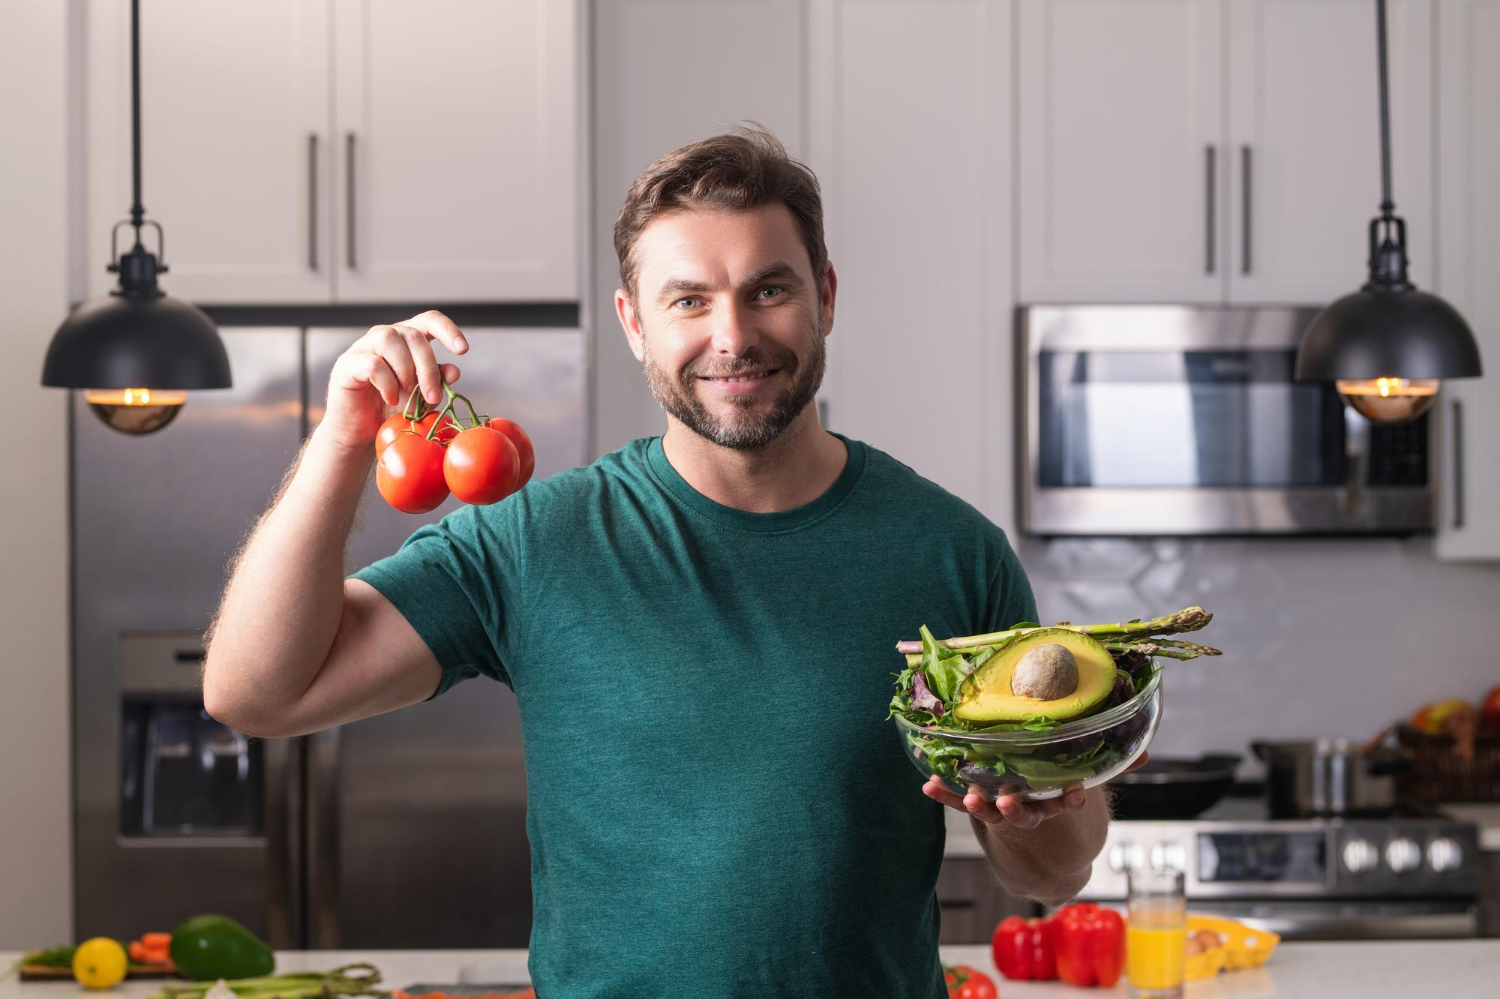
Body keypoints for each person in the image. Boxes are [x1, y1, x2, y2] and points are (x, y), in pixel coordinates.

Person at [203, 126, 1110, 999]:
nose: (732, 335)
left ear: (825, 296)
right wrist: (344, 438)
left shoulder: (952, 553)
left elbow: (1058, 873)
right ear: (635, 323)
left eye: (769, 290)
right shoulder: (534, 541)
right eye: (689, 300)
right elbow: (257, 692)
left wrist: (1047, 812)